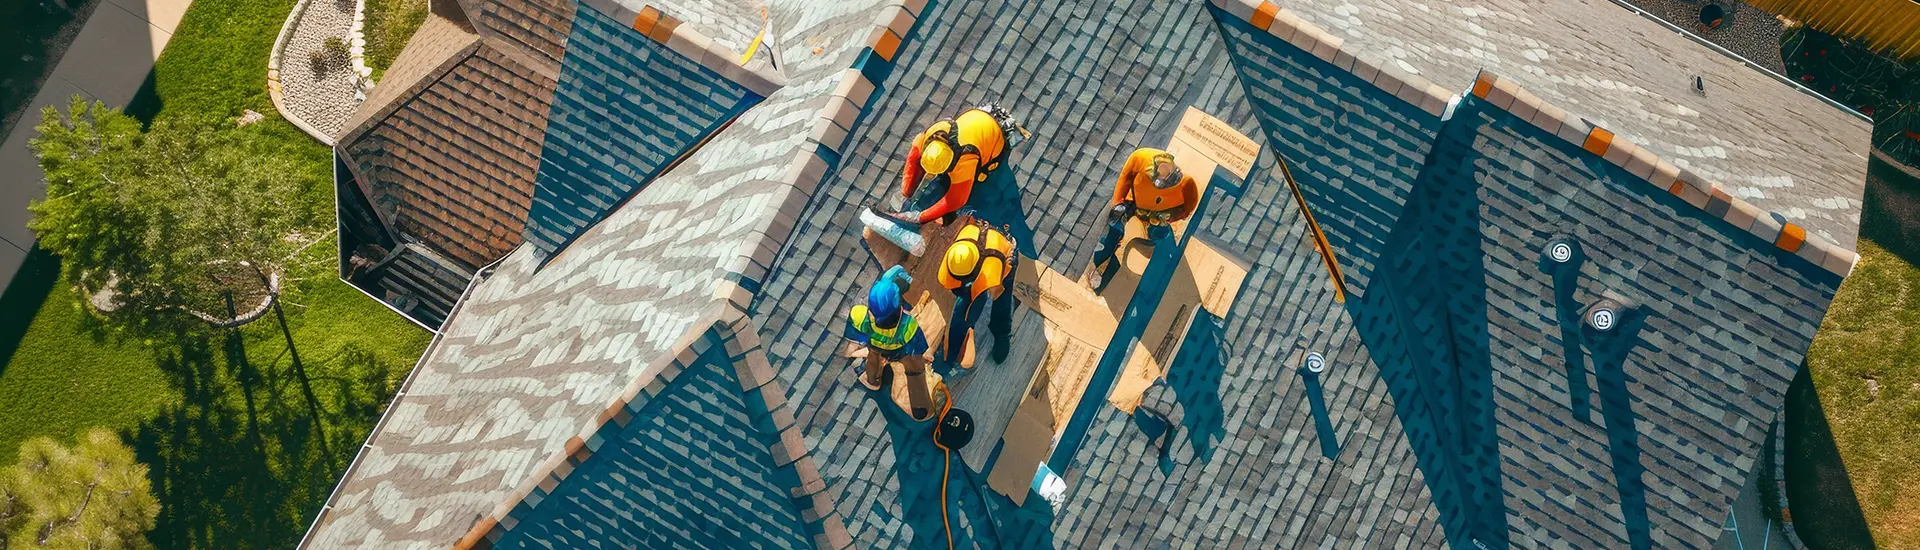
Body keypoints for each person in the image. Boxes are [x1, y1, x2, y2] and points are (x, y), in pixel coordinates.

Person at [883, 104, 1022, 226]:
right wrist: (905, 192)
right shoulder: (934, 133)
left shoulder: (966, 160)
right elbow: (913, 161)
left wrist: (920, 217)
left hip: (995, 138)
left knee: (979, 186)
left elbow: (956, 200)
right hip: (977, 118)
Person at [1088, 148, 1198, 292]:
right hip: (1133, 201)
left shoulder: (1187, 184)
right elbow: (1126, 177)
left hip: (1159, 213)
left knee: (1159, 237)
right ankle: (1100, 265)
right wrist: (1118, 201)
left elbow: (1186, 209)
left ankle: (1157, 271)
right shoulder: (1140, 157)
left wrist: (1171, 218)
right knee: (1114, 227)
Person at [845, 265, 936, 420]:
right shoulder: (909, 325)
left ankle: (873, 380)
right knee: (914, 373)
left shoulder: (860, 316)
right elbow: (920, 349)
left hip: (876, 345)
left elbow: (854, 335)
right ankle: (920, 409)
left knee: (873, 358)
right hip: (900, 351)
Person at [936, 222, 1018, 370]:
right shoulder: (958, 252)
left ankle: (1002, 334)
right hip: (982, 244)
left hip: (1004, 255)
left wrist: (971, 322)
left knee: (1002, 303)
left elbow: (994, 294)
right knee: (963, 304)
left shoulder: (991, 271)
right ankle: (954, 344)